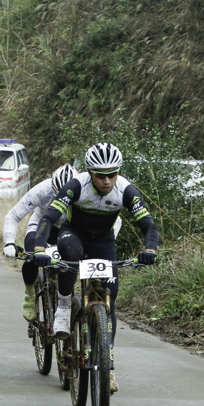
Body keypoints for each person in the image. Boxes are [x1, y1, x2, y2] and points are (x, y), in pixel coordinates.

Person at [32, 143, 158, 393]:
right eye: (101, 174)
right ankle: (64, 305)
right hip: (73, 234)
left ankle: (108, 368)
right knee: (71, 256)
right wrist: (38, 249)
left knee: (109, 302)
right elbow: (47, 218)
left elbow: (149, 225)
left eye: (113, 173)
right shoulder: (76, 185)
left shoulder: (125, 190)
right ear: (90, 172)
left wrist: (150, 250)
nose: (108, 180)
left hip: (103, 240)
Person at [3, 164, 89, 320]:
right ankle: (29, 293)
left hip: (71, 228)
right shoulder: (42, 191)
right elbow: (13, 216)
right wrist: (9, 242)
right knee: (31, 257)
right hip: (42, 225)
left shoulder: (87, 189)